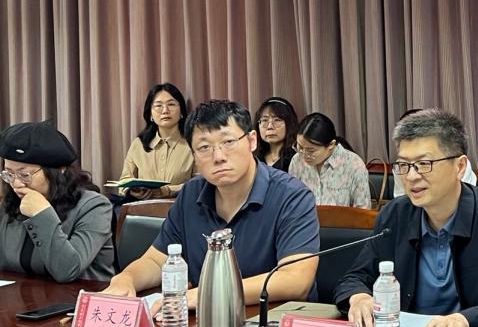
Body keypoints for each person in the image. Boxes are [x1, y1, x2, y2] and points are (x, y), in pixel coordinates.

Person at [334, 109, 478, 327]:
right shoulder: (395, 215)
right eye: (404, 165)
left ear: (459, 167)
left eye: (424, 164)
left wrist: (466, 319)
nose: (411, 176)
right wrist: (359, 297)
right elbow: (355, 277)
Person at [104, 100, 320, 310]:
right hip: (205, 322)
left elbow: (296, 280)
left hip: (271, 323)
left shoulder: (292, 196)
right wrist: (125, 279)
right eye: (204, 147)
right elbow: (156, 260)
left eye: (229, 142)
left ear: (252, 141)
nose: (218, 157)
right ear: (193, 154)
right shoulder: (191, 194)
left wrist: (207, 294)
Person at [0, 122, 114, 282]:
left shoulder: (94, 207)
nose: (16, 184)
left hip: (78, 295)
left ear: (59, 170)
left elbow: (67, 270)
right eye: (9, 174)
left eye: (24, 175)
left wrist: (41, 214)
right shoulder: (11, 202)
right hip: (23, 295)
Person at [117, 82, 194, 199]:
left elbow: (200, 182)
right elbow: (124, 181)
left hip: (181, 207)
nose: (165, 110)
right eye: (158, 106)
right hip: (143, 207)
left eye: (171, 104)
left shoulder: (193, 142)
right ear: (150, 115)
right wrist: (131, 191)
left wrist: (167, 191)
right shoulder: (139, 144)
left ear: (182, 112)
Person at [288, 112, 370, 208]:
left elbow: (362, 210)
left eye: (311, 151)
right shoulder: (297, 161)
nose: (304, 155)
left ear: (331, 145)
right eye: (300, 147)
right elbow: (291, 201)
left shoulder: (353, 165)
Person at [392, 108, 477, 197]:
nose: (411, 177)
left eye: (423, 163)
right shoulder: (401, 167)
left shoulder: (457, 163)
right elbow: (400, 195)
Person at [254, 97, 298, 171]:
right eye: (264, 120)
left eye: (277, 120)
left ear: (289, 124)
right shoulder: (255, 159)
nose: (270, 127)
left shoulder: (296, 159)